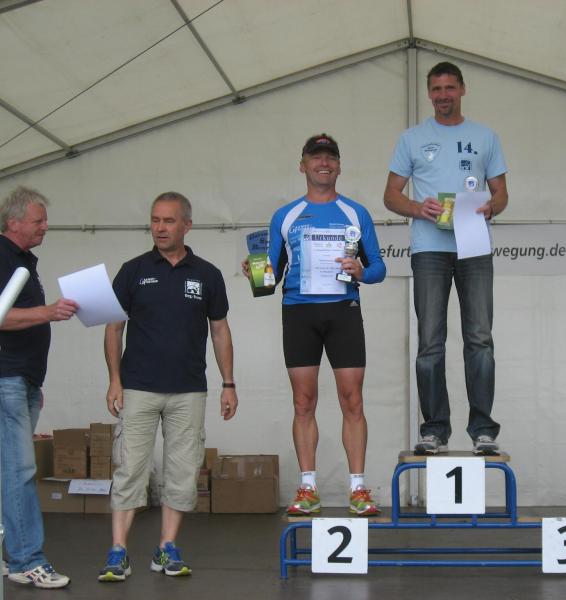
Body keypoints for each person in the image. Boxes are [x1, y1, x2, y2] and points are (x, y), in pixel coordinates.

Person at [98, 192, 238, 582]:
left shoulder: (207, 274)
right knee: (130, 469)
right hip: (138, 387)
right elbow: (113, 328)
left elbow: (220, 330)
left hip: (189, 390)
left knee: (182, 471)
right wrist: (114, 380)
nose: (159, 228)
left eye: (168, 221)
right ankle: (118, 552)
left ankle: (167, 547)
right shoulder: (132, 270)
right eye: (155, 220)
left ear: (187, 225)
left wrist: (228, 383)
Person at [244, 133, 385, 516]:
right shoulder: (285, 216)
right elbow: (269, 279)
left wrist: (361, 271)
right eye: (316, 157)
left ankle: (358, 488)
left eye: (330, 157)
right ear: (302, 164)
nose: (324, 163)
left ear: (339, 166)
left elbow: (379, 268)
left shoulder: (356, 213)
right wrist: (254, 272)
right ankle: (308, 488)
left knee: (352, 400)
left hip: (343, 310)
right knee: (303, 402)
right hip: (299, 312)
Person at [384, 61, 509, 456]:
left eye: (449, 88)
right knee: (430, 342)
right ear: (428, 93)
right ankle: (435, 430)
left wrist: (491, 207)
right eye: (436, 89)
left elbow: (502, 193)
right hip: (429, 248)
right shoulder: (412, 138)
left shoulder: (486, 136)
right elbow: (390, 195)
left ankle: (483, 430)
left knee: (480, 339)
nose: (443, 95)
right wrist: (417, 208)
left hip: (474, 245)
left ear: (462, 90)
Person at [0, 185, 77, 588]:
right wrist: (48, 311)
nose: (45, 226)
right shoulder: (2, 256)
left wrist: (32, 382)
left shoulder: (23, 261)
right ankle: (27, 559)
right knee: (20, 470)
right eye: (38, 220)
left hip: (21, 379)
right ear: (13, 222)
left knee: (9, 470)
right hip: (7, 378)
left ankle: (16, 555)